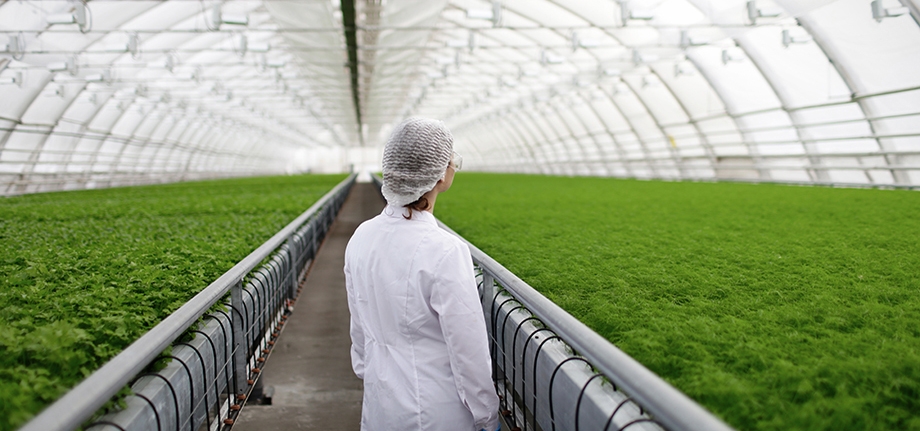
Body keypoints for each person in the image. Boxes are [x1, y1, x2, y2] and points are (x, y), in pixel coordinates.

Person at [344, 117, 500, 431]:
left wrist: (370, 368)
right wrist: (487, 414)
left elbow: (358, 324)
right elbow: (467, 348)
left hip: (380, 403)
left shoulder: (361, 236)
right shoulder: (443, 250)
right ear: (442, 174)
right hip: (436, 410)